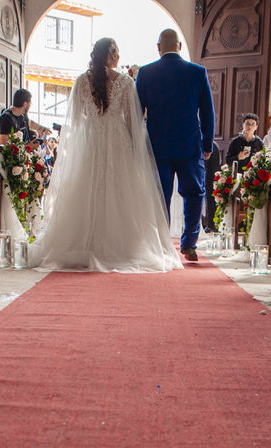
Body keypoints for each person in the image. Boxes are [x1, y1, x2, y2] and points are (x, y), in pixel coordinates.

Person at [31, 38, 179, 273]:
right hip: (117, 142)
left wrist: (78, 147)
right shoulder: (125, 81)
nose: (119, 57)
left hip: (91, 141)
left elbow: (76, 123)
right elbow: (133, 121)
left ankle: (82, 243)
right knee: (120, 190)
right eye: (117, 53)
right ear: (111, 55)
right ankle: (123, 247)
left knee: (87, 187)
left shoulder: (81, 81)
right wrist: (134, 148)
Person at [135, 28, 215, 262]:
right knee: (194, 192)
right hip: (190, 144)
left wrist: (138, 144)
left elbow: (137, 112)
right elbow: (208, 112)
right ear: (180, 46)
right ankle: (189, 244)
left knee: (160, 195)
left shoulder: (146, 73)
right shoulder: (198, 72)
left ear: (158, 47)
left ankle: (161, 244)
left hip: (157, 145)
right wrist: (207, 143)